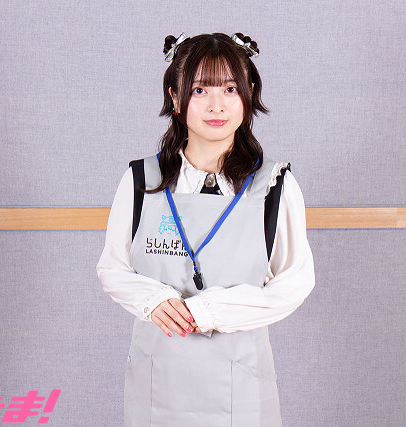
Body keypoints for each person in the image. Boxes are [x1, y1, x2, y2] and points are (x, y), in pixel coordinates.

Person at [96, 32, 315, 427]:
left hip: (240, 390)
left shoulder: (274, 186)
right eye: (200, 90)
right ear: (175, 98)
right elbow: (112, 268)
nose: (217, 105)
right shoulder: (141, 180)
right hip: (157, 386)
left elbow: (295, 283)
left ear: (249, 94)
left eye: (230, 89)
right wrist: (153, 300)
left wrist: (209, 310)